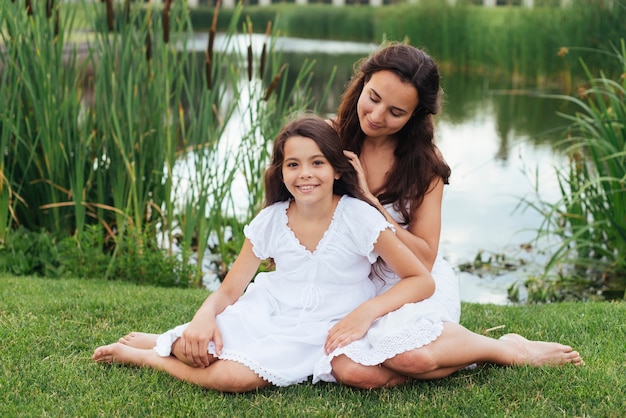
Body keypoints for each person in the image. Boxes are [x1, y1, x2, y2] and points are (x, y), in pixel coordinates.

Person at [92, 115, 436, 393]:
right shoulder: (271, 220)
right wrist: (203, 315)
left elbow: (421, 279)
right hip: (269, 311)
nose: (305, 174)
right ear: (281, 171)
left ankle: (146, 357)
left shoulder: (360, 218)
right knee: (194, 348)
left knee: (232, 378)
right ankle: (169, 340)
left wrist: (367, 312)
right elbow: (229, 290)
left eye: (317, 162)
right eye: (293, 164)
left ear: (336, 169)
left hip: (325, 325)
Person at [312, 43, 583, 389]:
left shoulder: (425, 164)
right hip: (351, 281)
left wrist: (371, 203)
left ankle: (507, 349)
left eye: (396, 112)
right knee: (353, 372)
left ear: (415, 116)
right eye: (374, 97)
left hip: (410, 283)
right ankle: (445, 355)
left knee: (413, 357)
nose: (378, 115)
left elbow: (424, 258)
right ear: (362, 82)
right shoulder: (326, 139)